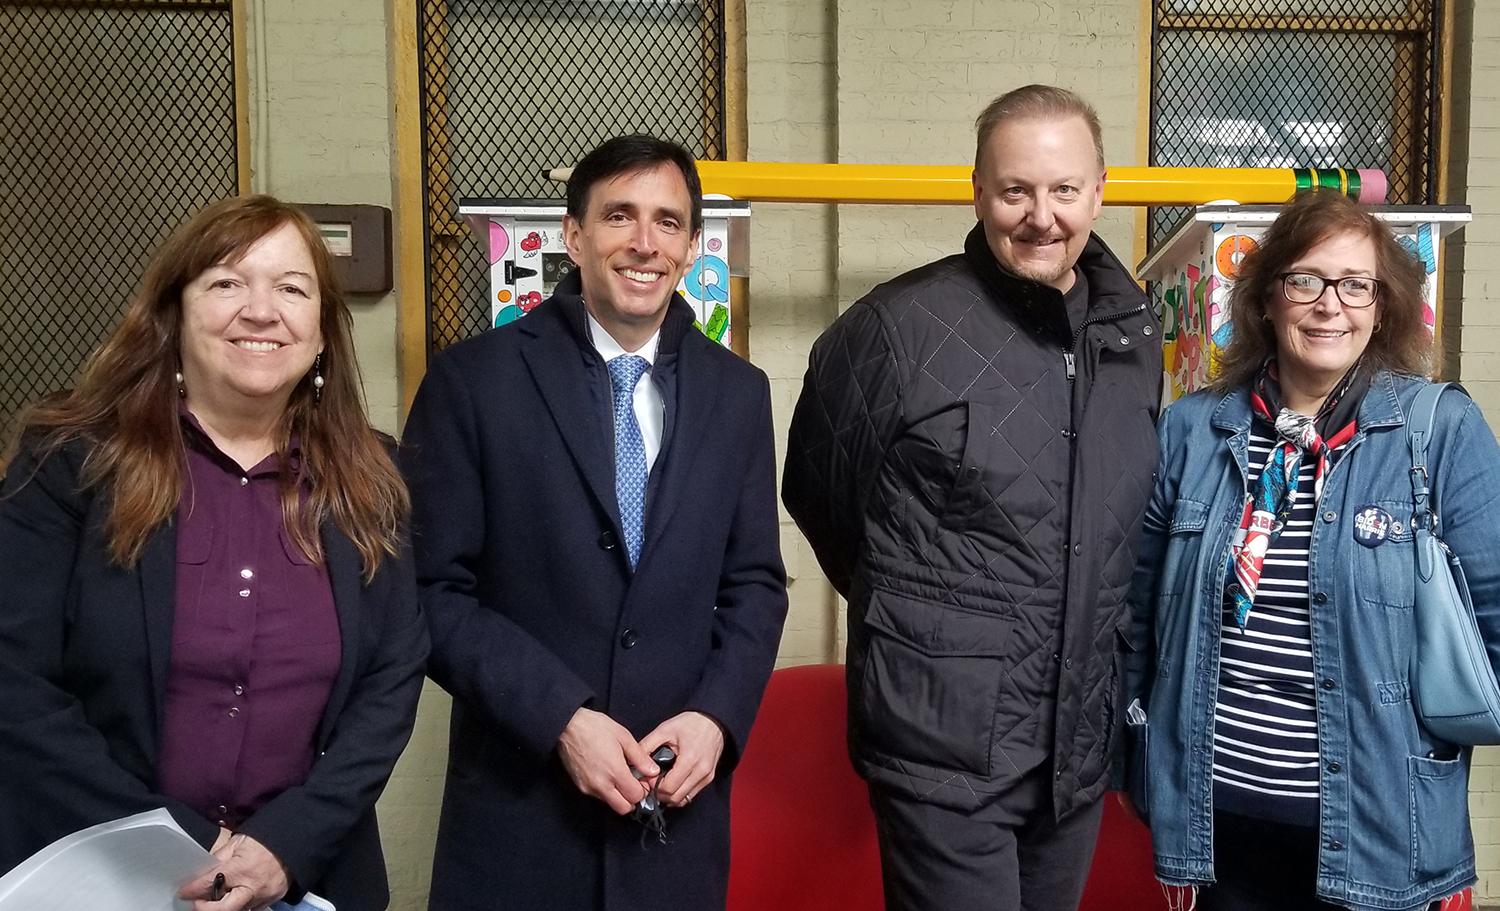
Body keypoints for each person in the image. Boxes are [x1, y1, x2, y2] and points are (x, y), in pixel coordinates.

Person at [782, 85, 1162, 911]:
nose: (1042, 216)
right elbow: (823, 495)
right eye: (1016, 189)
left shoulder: (1133, 337)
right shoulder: (896, 328)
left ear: (1099, 191)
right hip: (941, 740)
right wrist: (935, 620)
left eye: (1065, 190)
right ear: (979, 190)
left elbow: (1116, 524)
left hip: (1073, 741)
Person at [0, 195, 428, 911]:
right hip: (97, 872)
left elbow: (392, 680)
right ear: (173, 315)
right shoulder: (71, 462)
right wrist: (184, 843)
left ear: (320, 332)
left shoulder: (371, 477)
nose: (261, 311)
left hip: (306, 880)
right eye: (227, 282)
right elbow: (14, 683)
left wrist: (281, 847)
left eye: (292, 288)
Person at [402, 134, 788, 911]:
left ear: (689, 248)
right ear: (574, 236)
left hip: (672, 815)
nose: (645, 243)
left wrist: (717, 718)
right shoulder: (473, 381)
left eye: (668, 222)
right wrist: (560, 718)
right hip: (520, 816)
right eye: (620, 216)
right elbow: (428, 588)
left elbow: (755, 585)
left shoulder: (737, 394)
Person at [1126, 189, 1498, 910]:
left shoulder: (1439, 432)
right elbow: (1139, 621)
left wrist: (1433, 775)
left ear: (1382, 307)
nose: (1332, 303)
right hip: (1214, 826)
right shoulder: (1191, 431)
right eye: (1306, 279)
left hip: (1382, 831)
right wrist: (1144, 766)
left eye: (1356, 284)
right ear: (1267, 299)